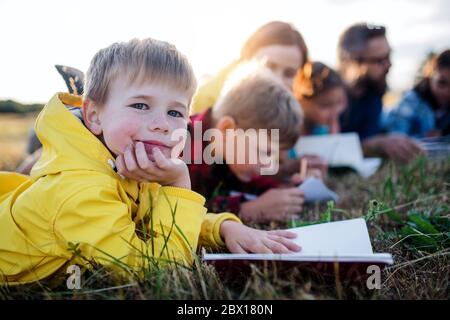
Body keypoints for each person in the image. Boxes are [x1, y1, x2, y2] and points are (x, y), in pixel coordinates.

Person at [0, 38, 301, 285]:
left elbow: (153, 217)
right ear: (93, 115)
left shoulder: (125, 160)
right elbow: (156, 271)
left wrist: (223, 228)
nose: (162, 124)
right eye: (140, 105)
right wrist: (178, 184)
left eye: (175, 112)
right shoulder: (80, 191)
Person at [337, 22, 423, 163]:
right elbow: (326, 147)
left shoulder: (373, 93)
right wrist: (376, 144)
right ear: (352, 62)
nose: (389, 64)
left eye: (389, 56)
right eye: (379, 60)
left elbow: (369, 136)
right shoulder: (329, 96)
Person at [191, 21, 309, 113]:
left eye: (289, 73)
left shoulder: (292, 111)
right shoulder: (205, 102)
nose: (277, 80)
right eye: (269, 66)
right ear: (247, 56)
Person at [384, 49, 450, 137]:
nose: (447, 91)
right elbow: (394, 136)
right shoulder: (410, 102)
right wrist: (424, 138)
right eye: (442, 83)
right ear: (429, 76)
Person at [293, 61, 347, 135]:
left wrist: (333, 127)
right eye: (325, 105)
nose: (334, 112)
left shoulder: (322, 127)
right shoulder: (280, 121)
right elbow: (274, 141)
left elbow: (334, 141)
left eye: (338, 102)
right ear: (301, 100)